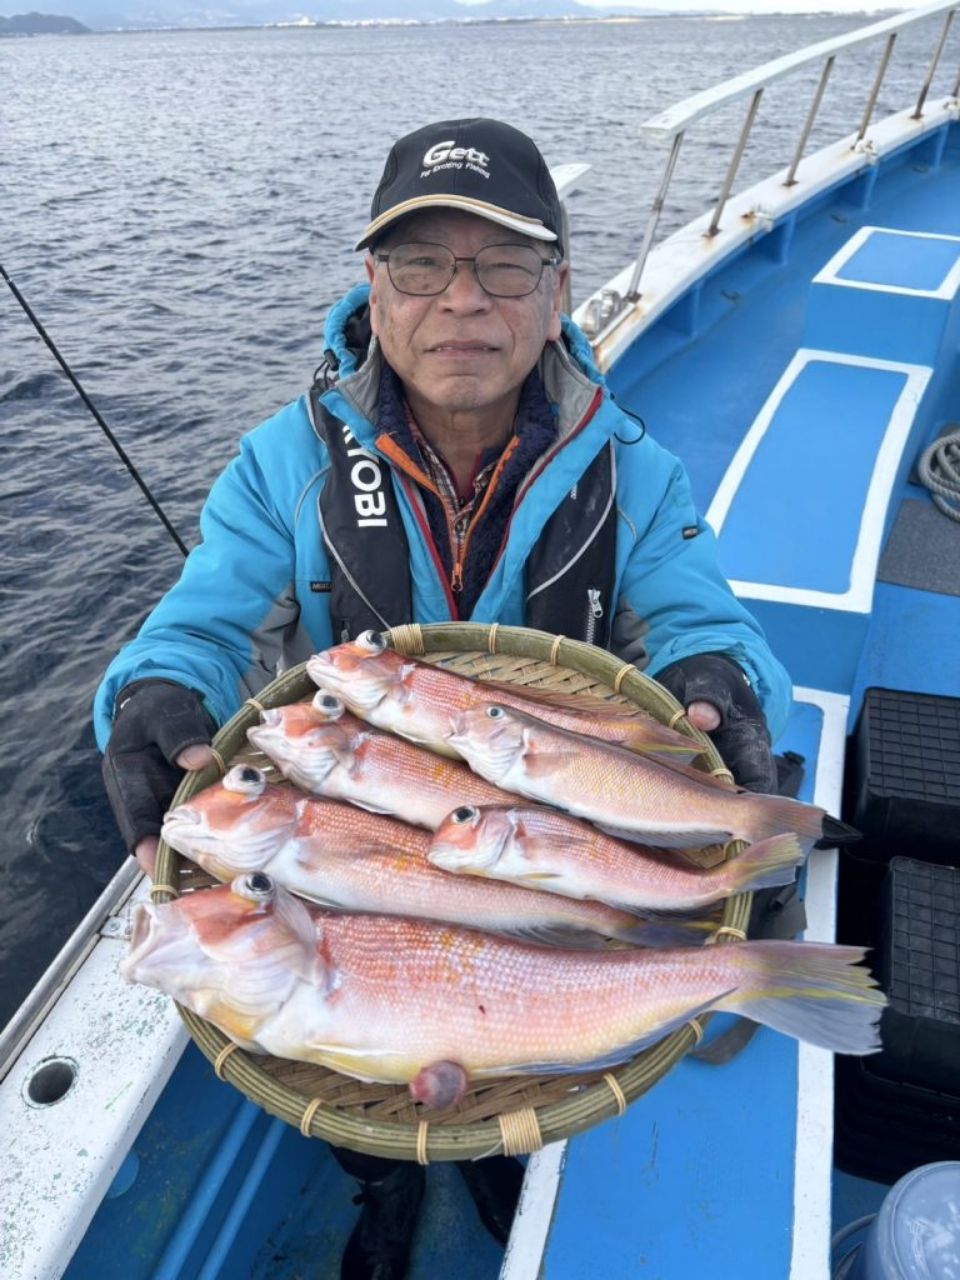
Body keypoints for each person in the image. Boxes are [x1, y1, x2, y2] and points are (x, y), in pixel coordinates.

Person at [95, 117, 792, 1280]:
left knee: (517, 1017)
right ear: (373, 287)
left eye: (505, 264)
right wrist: (158, 688)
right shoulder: (282, 464)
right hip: (370, 845)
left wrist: (718, 679)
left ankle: (506, 1153)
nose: (461, 299)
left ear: (557, 291)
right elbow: (207, 619)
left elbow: (696, 615)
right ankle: (384, 1174)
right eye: (421, 264)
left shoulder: (637, 468)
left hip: (537, 835)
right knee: (363, 1055)